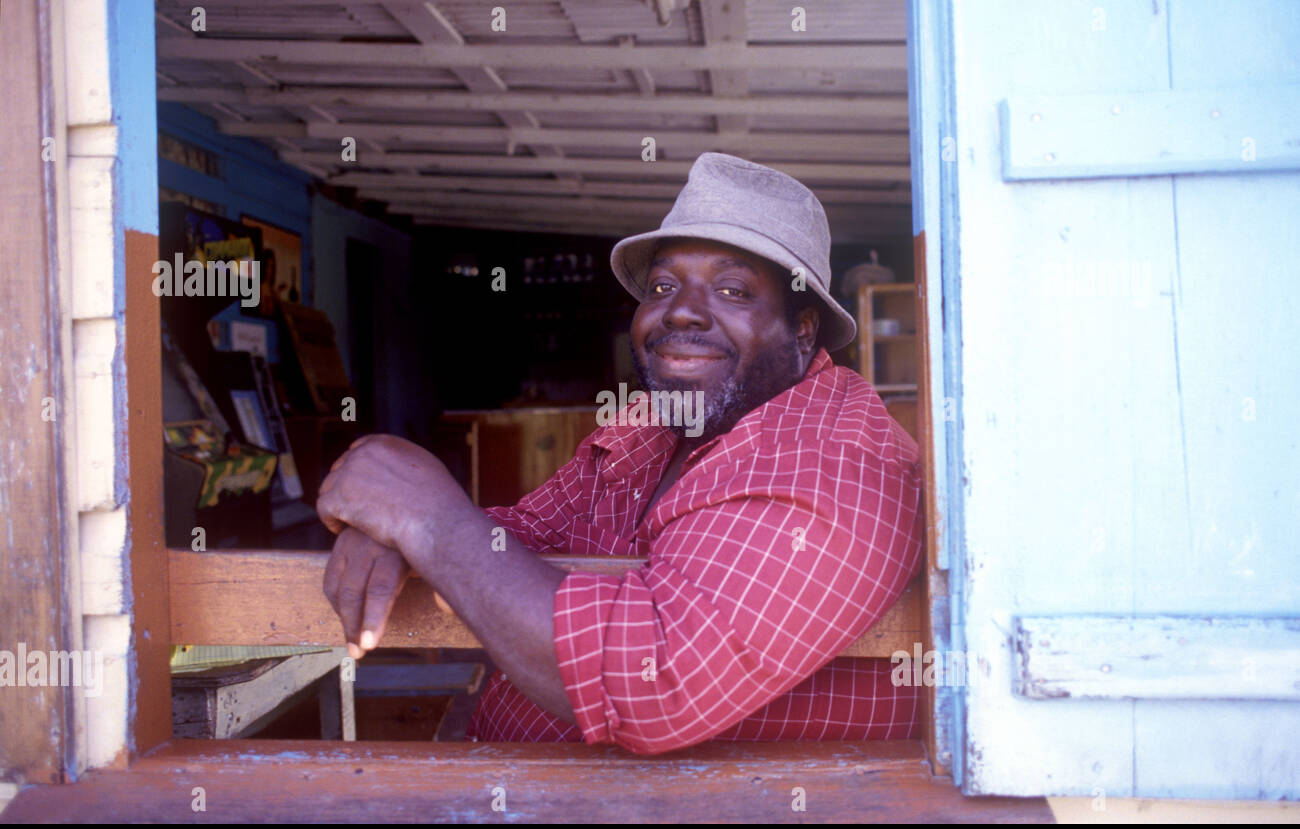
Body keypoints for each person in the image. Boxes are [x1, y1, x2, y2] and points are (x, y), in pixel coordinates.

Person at [315, 153, 926, 754]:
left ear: (803, 328)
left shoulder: (835, 457)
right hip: (535, 787)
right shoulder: (652, 426)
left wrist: (425, 514)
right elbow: (518, 535)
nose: (681, 310)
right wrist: (392, 525)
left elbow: (652, 682)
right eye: (663, 285)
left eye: (733, 289)